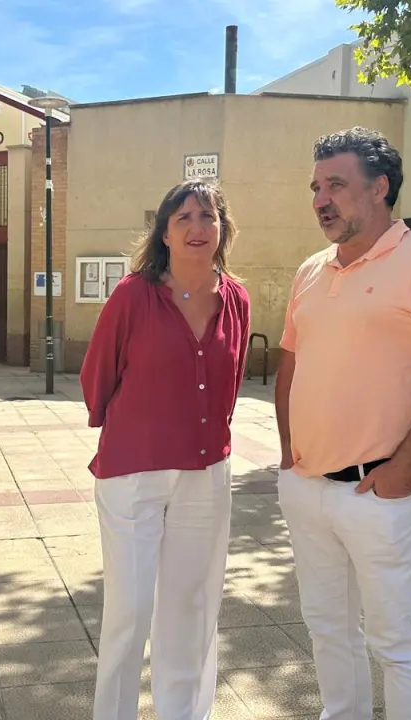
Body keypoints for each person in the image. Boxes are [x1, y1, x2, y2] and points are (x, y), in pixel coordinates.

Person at [273, 127, 411, 720]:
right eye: (316, 187)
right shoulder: (311, 271)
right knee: (327, 629)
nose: (321, 199)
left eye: (336, 185)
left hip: (382, 492)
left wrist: (406, 468)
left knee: (399, 644)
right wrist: (289, 454)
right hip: (308, 488)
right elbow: (289, 364)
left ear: (379, 188)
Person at [79, 178, 251, 720]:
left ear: (223, 228)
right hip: (133, 471)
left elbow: (232, 380)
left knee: (192, 607)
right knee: (130, 608)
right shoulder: (133, 295)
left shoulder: (237, 300)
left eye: (208, 216)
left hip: (206, 473)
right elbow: (97, 376)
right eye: (184, 218)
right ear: (165, 234)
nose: (198, 227)